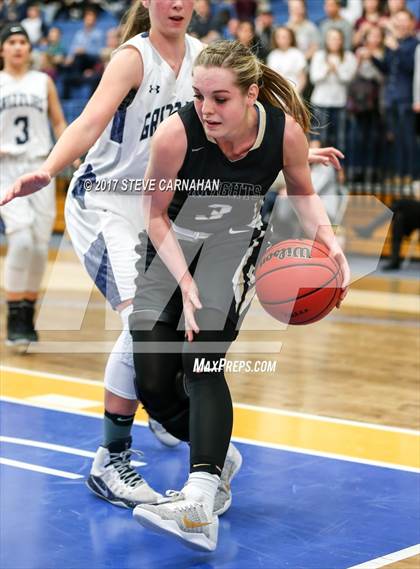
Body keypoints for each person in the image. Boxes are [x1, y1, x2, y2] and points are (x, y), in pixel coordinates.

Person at [0, 0, 349, 516]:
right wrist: (49, 168)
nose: (178, 3)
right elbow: (90, 122)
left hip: (160, 206)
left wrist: (287, 152)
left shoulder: (204, 56)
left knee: (170, 350)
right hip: (110, 204)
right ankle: (110, 458)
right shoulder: (132, 59)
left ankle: (169, 417)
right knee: (136, 324)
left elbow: (239, 116)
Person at [129, 39, 350, 552]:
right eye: (200, 96)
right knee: (156, 388)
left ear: (251, 94)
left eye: (221, 98)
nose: (206, 109)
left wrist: (331, 242)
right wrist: (183, 284)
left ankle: (199, 499)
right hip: (168, 252)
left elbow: (301, 188)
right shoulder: (174, 135)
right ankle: (218, 453)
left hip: (229, 252)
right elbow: (155, 215)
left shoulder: (283, 132)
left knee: (202, 362)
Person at [0, 23, 67, 347]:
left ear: (29, 48)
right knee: (22, 240)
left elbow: (58, 121)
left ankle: (27, 313)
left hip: (40, 166)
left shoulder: (44, 82)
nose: (17, 47)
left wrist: (70, 153)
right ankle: (13, 313)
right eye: (11, 42)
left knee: (41, 248)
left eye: (22, 42)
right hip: (6, 168)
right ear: (2, 49)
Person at [267, 26, 307, 94]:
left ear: (291, 38)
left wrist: (295, 94)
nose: (281, 40)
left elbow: (302, 79)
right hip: (276, 94)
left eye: (284, 37)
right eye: (278, 37)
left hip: (294, 92)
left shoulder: (297, 54)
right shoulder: (272, 55)